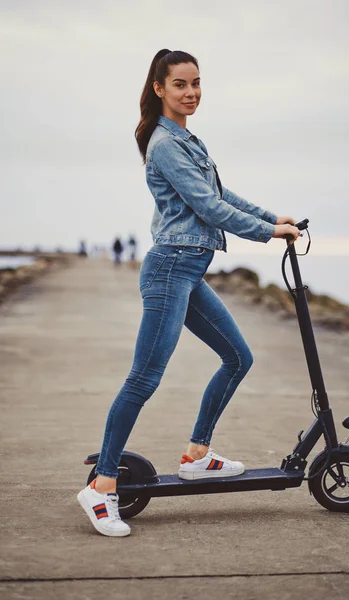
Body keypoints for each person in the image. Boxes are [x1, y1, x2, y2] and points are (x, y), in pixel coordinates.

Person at [77, 49, 300, 537]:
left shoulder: (188, 140)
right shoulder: (164, 145)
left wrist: (272, 217)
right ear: (159, 88)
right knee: (144, 379)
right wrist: (267, 234)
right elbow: (209, 208)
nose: (191, 92)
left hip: (188, 270)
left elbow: (221, 194)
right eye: (180, 84)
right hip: (169, 270)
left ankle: (197, 454)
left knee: (238, 358)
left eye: (196, 83)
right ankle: (102, 486)